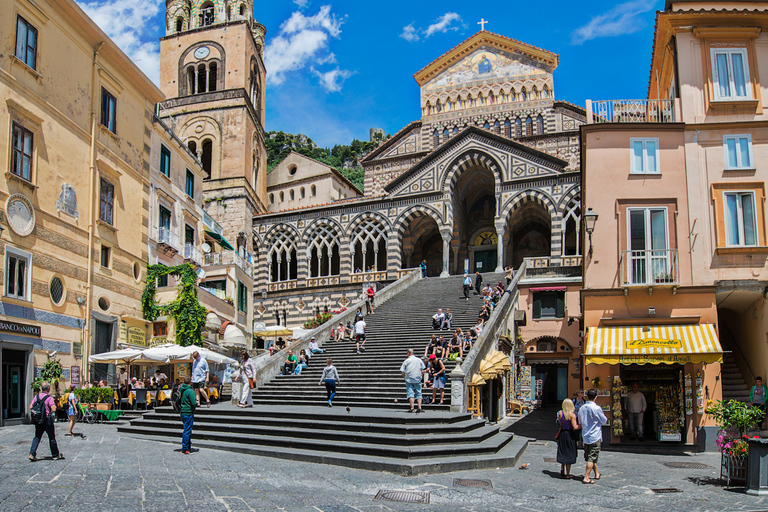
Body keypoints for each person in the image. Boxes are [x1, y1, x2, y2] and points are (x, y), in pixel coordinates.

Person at [578, 388, 607, 484]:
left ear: (586, 396)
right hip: (595, 435)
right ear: (596, 397)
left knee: (591, 455)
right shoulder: (597, 408)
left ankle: (596, 473)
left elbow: (580, 422)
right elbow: (604, 420)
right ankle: (586, 477)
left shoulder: (582, 408)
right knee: (592, 457)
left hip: (585, 435)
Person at [29, 382, 63, 461]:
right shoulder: (49, 397)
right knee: (51, 437)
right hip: (47, 420)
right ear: (48, 388)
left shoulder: (36, 396)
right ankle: (55, 455)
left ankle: (32, 453)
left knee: (37, 437)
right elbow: (54, 409)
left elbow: (31, 407)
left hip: (38, 420)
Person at [556, 398, 581, 479]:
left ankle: (562, 468)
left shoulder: (560, 413)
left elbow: (560, 423)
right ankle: (568, 472)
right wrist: (581, 425)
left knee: (563, 450)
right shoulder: (572, 415)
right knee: (569, 452)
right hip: (570, 434)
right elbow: (575, 427)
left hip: (563, 434)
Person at [400, 349, 426, 413]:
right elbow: (422, 369)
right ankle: (419, 407)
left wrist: (404, 377)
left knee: (410, 393)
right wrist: (421, 376)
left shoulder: (407, 361)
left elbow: (402, 371)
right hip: (417, 378)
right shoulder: (419, 360)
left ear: (408, 353)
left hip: (409, 379)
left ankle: (412, 408)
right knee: (419, 392)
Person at [179, 376, 196, 454]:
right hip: (188, 412)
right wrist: (197, 403)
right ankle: (185, 448)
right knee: (187, 430)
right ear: (191, 382)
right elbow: (193, 402)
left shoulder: (181, 389)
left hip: (182, 411)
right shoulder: (190, 391)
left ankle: (187, 446)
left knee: (187, 429)